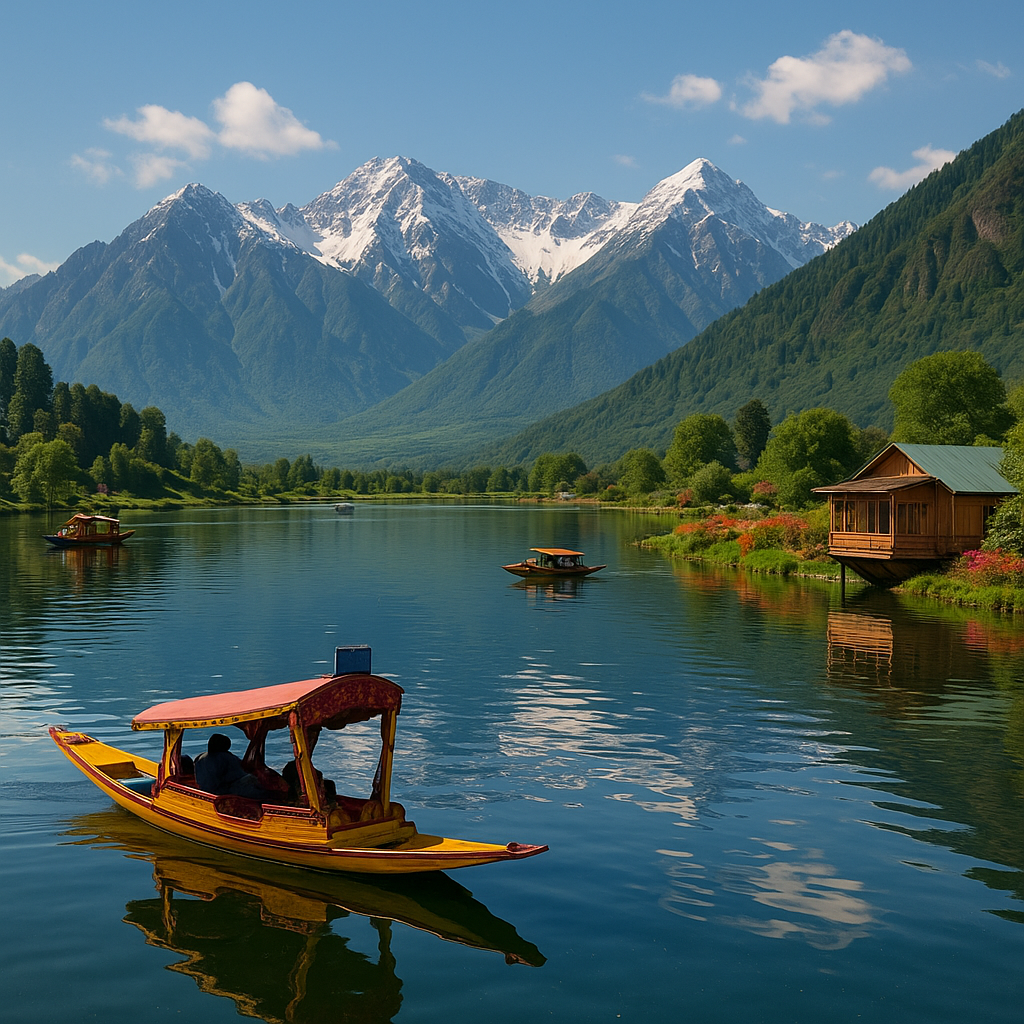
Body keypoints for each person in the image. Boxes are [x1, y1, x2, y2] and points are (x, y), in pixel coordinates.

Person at [194, 733, 268, 800]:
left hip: (205, 789)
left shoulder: (200, 757)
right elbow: (237, 775)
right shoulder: (227, 757)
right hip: (222, 791)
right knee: (251, 779)